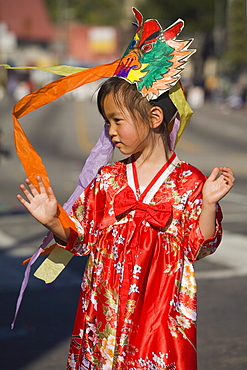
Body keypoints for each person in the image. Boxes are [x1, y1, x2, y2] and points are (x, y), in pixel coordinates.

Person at [17, 76, 234, 369]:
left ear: (155, 117)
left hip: (159, 313)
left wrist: (208, 204)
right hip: (104, 310)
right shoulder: (108, 180)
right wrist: (54, 220)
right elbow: (82, 238)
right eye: (107, 122)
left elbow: (200, 246)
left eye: (117, 121)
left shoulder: (189, 182)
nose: (110, 132)